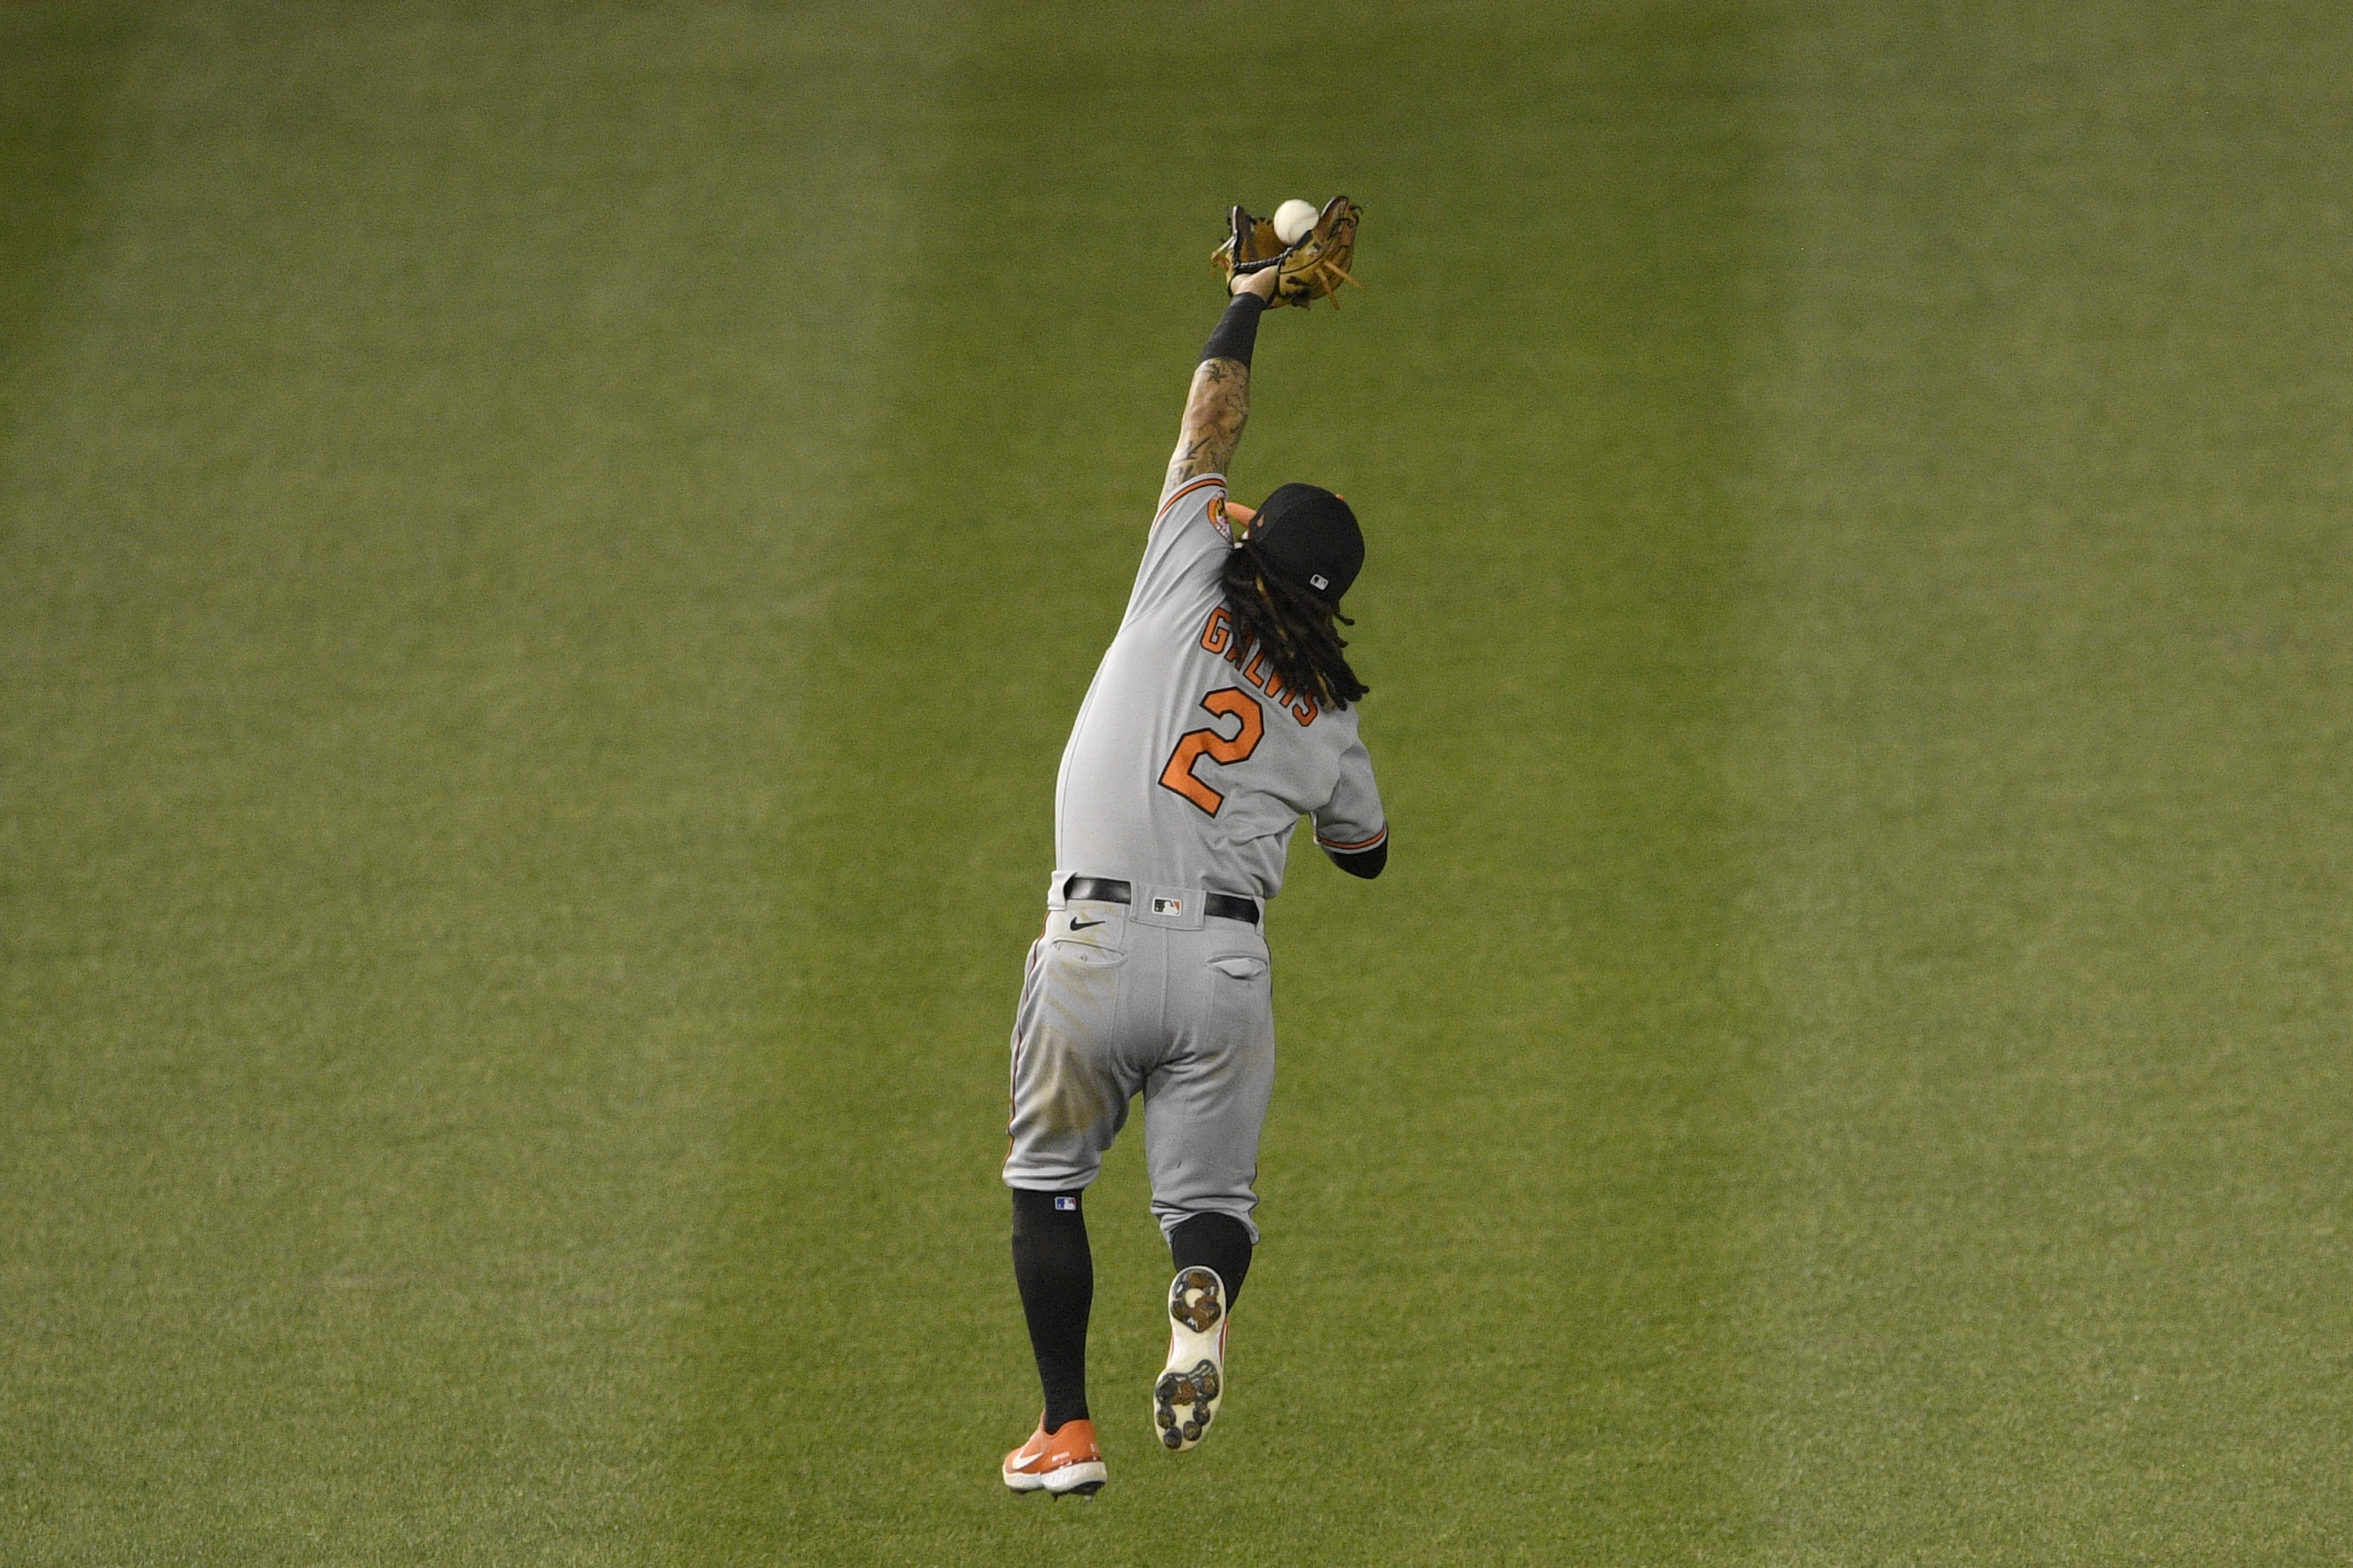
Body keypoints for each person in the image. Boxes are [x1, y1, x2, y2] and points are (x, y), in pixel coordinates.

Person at [998, 260, 1390, 1497]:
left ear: (1245, 538)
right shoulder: (1328, 705)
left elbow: (1212, 414)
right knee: (1211, 1204)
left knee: (1047, 1183)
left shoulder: (1181, 565)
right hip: (1223, 970)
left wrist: (1252, 300)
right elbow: (1366, 854)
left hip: (1094, 947)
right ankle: (1199, 1297)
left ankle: (1065, 1431)